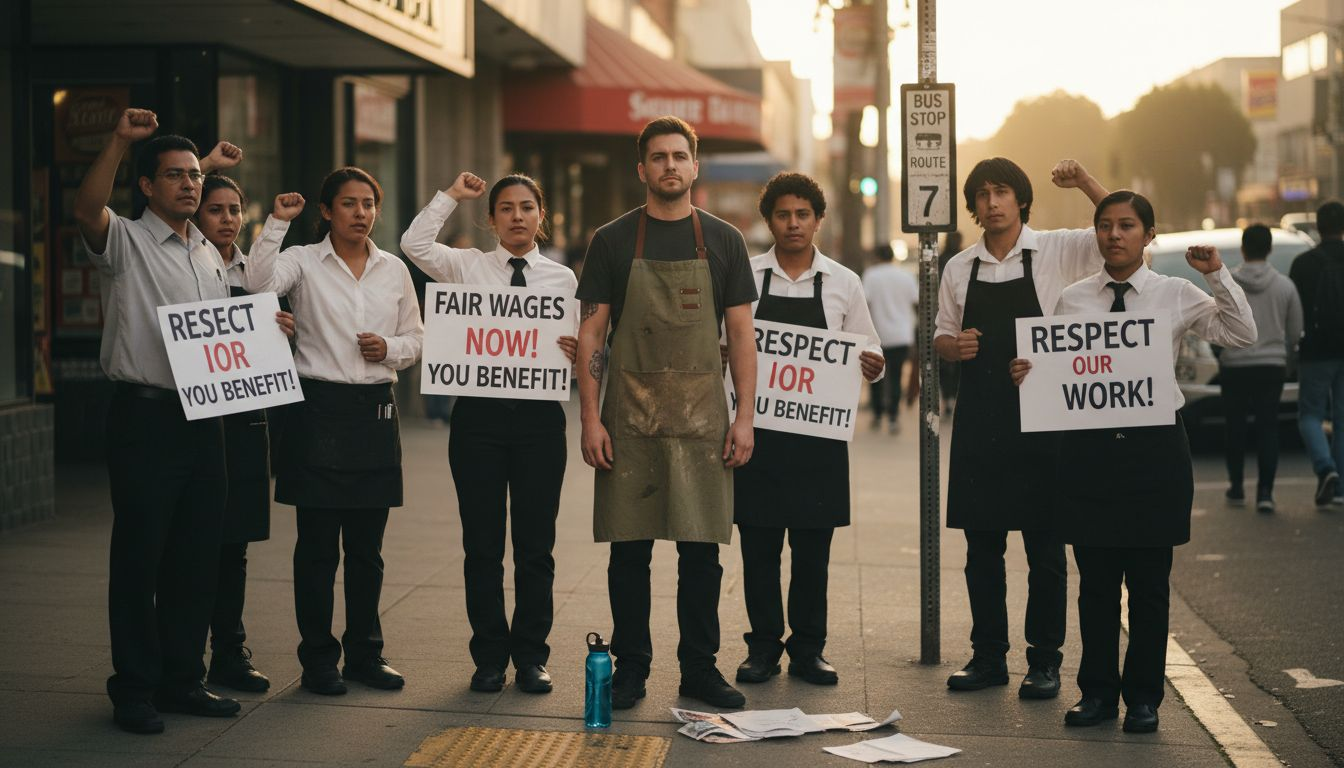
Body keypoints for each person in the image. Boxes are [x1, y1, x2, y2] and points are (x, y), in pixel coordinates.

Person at [1011, 190, 1255, 733]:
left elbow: (1241, 333)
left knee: (1148, 585)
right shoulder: (1074, 299)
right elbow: (1056, 366)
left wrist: (1218, 275)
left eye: (1125, 226)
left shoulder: (1175, 293)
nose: (1113, 235)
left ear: (1148, 236)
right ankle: (1096, 694)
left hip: (1153, 453)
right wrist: (1030, 374)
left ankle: (1144, 698)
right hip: (1089, 454)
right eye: (1104, 226)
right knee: (1095, 584)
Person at [73, 108, 274, 734]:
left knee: (198, 555)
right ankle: (133, 687)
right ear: (147, 186)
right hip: (146, 417)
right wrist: (118, 141)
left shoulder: (209, 254)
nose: (191, 184)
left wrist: (264, 333)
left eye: (196, 175)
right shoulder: (127, 243)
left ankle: (183, 678)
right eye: (176, 176)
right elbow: (86, 210)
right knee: (141, 557)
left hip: (205, 419)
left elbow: (219, 335)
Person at [575, 116, 758, 710]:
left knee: (701, 551)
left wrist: (745, 417)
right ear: (642, 169)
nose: (670, 166)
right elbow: (593, 333)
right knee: (629, 551)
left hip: (703, 417)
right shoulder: (612, 240)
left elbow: (741, 334)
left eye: (680, 156)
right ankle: (630, 671)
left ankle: (699, 669)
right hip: (628, 417)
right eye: (658, 158)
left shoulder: (724, 240)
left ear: (695, 166)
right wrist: (589, 419)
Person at [243, 167, 424, 697]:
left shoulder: (393, 270)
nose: (361, 213)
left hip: (373, 410)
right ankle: (319, 659)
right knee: (318, 548)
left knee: (367, 550)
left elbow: (416, 336)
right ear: (326, 211)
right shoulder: (301, 260)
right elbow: (256, 283)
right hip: (315, 408)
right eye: (348, 203)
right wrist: (276, 222)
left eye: (369, 203)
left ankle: (366, 654)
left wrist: (389, 349)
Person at [934, 157, 1107, 699]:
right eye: (982, 194)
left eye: (1001, 191)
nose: (991, 202)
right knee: (981, 548)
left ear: (1021, 199)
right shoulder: (959, 267)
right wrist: (952, 346)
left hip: (1045, 417)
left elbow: (1119, 226)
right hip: (981, 418)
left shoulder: (1055, 249)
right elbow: (940, 335)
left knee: (1045, 550)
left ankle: (1045, 661)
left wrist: (1083, 181)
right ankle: (987, 657)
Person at [400, 172, 578, 695]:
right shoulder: (465, 266)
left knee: (535, 547)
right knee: (481, 545)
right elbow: (413, 244)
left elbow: (582, 345)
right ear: (492, 218)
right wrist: (450, 196)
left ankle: (530, 657)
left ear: (541, 215)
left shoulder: (562, 280)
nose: (517, 216)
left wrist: (574, 352)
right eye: (506, 208)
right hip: (478, 421)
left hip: (540, 423)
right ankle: (488, 657)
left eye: (527, 207)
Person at [731, 172, 884, 688]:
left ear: (819, 220)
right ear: (768, 220)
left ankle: (809, 649)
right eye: (782, 214)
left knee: (813, 551)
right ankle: (763, 648)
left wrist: (871, 363)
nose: (792, 224)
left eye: (802, 214)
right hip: (758, 435)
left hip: (819, 440)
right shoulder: (744, 276)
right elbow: (719, 343)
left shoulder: (845, 282)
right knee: (759, 547)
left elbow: (871, 346)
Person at [193, 174, 286, 693]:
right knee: (195, 542)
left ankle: (229, 650)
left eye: (234, 210)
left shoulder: (254, 269)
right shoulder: (186, 263)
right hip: (197, 420)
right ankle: (182, 654)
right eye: (215, 210)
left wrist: (280, 330)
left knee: (236, 545)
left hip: (246, 419)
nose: (227, 219)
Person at [1220, 224, 1302, 513]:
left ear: (1243, 249)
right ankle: (1265, 493)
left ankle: (1236, 487)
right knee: (1268, 428)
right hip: (1271, 365)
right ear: (1269, 249)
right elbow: (1295, 333)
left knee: (1235, 428)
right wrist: (1288, 364)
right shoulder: (1285, 286)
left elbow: (1217, 324)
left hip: (1235, 364)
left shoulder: (1228, 281)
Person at [1289, 201, 1344, 507]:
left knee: (1310, 414)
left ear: (1318, 227)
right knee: (1343, 419)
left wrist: (1294, 347)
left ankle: (1325, 468)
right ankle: (1340, 489)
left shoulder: (1303, 264)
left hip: (1317, 351)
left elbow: (1296, 313)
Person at [863, 243, 917, 433]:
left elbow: (865, 304)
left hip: (877, 335)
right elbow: (915, 302)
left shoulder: (871, 276)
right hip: (901, 335)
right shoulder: (905, 276)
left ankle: (877, 414)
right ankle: (893, 417)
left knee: (874, 374)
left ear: (877, 256)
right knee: (895, 376)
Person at [937, 231, 964, 414]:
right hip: (962, 315)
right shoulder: (963, 260)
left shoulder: (941, 260)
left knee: (945, 362)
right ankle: (953, 396)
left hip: (941, 313)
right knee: (959, 361)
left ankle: (947, 397)